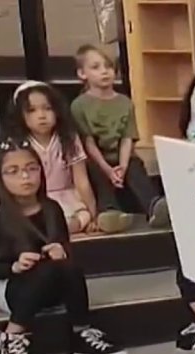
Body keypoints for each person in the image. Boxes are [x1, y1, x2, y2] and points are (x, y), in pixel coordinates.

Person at [0, 139, 126, 354]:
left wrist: (61, 251)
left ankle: (81, 333)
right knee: (45, 271)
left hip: (49, 284)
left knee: (70, 268)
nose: (25, 177)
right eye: (13, 172)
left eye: (31, 168)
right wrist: (14, 266)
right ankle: (10, 337)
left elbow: (65, 253)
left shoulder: (51, 208)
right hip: (10, 287)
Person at [71, 44, 170, 229]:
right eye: (96, 67)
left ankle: (154, 206)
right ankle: (108, 212)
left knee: (135, 165)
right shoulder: (79, 105)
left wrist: (122, 167)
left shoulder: (124, 102)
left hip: (122, 156)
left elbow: (127, 138)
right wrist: (108, 169)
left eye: (108, 66)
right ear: (82, 74)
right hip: (96, 157)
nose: (104, 72)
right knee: (94, 169)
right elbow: (88, 142)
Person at [7, 81, 117, 237]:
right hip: (34, 199)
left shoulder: (69, 139)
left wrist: (93, 214)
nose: (41, 115)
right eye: (32, 110)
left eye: (48, 108)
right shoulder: (17, 143)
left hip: (67, 197)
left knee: (77, 218)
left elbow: (81, 180)